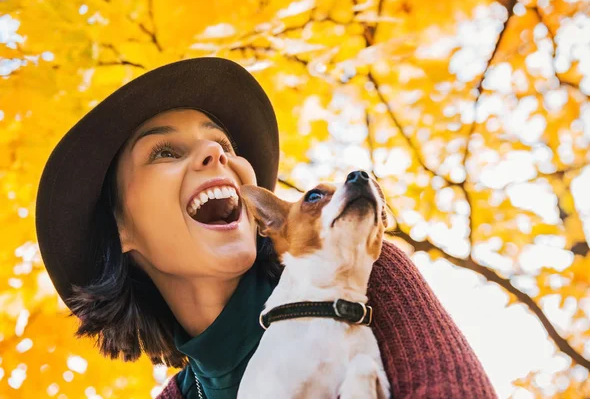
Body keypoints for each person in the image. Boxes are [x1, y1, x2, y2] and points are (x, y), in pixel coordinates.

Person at [35, 57, 497, 399]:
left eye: (221, 143)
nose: (215, 155)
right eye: (165, 153)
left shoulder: (362, 274)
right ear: (119, 230)